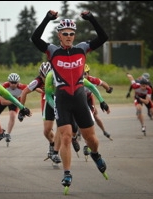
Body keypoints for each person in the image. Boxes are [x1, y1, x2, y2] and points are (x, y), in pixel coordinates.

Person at [31, 10, 109, 188]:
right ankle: (67, 173)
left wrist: (91, 18)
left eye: (71, 34)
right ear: (59, 35)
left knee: (91, 139)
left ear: (75, 35)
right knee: (66, 137)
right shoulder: (52, 51)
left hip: (80, 99)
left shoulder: (82, 48)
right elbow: (35, 39)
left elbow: (103, 37)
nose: (68, 36)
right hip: (62, 99)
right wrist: (47, 19)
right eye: (65, 33)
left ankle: (96, 154)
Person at [45, 69, 111, 162]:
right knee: (62, 129)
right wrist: (57, 108)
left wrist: (102, 101)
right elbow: (48, 95)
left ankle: (86, 144)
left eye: (86, 73)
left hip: (81, 101)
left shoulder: (77, 75)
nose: (84, 75)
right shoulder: (50, 76)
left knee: (84, 124)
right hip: (60, 101)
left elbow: (94, 86)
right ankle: (56, 153)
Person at [20, 62, 59, 163]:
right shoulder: (37, 81)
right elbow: (24, 92)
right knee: (46, 130)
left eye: (48, 76)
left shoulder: (57, 77)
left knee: (63, 128)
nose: (46, 79)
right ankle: (52, 143)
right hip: (48, 101)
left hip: (60, 100)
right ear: (40, 74)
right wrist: (22, 109)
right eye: (43, 76)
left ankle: (56, 152)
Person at [0, 73, 28, 145]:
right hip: (5, 100)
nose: (13, 84)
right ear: (8, 82)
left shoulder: (22, 87)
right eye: (11, 82)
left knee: (12, 116)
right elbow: (3, 102)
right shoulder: (4, 86)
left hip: (14, 102)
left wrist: (42, 90)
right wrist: (14, 100)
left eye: (15, 83)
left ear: (18, 82)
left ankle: (8, 134)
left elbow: (34, 87)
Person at [83, 64, 113, 140]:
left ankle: (104, 131)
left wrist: (108, 89)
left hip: (89, 98)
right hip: (79, 99)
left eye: (85, 74)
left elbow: (103, 83)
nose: (83, 76)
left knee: (93, 115)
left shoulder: (92, 80)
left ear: (88, 74)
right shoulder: (76, 80)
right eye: (81, 74)